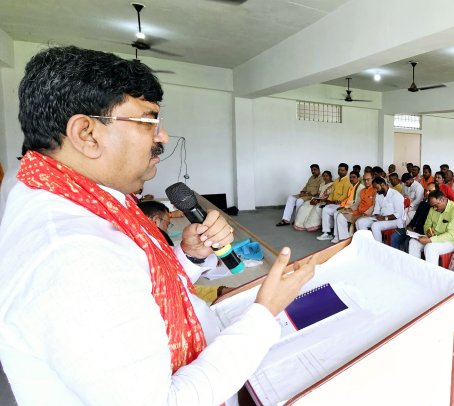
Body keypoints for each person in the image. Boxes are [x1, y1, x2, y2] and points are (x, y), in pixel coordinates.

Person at [0, 46, 316, 405]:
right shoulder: (72, 255)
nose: (162, 137)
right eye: (149, 121)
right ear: (86, 133)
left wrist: (189, 257)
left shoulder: (63, 194)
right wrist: (264, 314)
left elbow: (135, 286)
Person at [407, 190, 454, 263]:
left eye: (436, 205)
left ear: (443, 199)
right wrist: (428, 232)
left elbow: (450, 235)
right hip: (434, 237)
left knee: (430, 248)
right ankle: (415, 269)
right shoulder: (433, 209)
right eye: (432, 206)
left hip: (451, 241)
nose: (434, 208)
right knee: (413, 242)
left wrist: (430, 240)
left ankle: (432, 273)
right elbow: (427, 225)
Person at [355, 176, 405, 243]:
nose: (375, 190)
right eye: (374, 188)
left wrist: (384, 218)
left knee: (375, 226)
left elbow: (398, 214)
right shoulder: (379, 195)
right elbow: (376, 209)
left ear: (382, 184)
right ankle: (367, 243)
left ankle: (378, 247)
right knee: (359, 222)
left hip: (394, 221)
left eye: (376, 188)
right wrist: (376, 215)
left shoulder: (396, 195)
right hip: (381, 218)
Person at [330, 172, 374, 243]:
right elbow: (357, 203)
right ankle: (344, 240)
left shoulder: (375, 190)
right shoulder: (362, 191)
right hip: (357, 212)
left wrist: (364, 214)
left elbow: (374, 206)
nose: (366, 182)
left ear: (373, 178)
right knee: (340, 216)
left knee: (360, 221)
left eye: (368, 180)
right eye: (364, 180)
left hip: (367, 214)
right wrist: (349, 209)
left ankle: (362, 242)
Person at [317, 170, 360, 241]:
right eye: (339, 169)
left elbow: (347, 197)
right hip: (342, 204)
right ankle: (326, 232)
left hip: (344, 205)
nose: (351, 179)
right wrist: (330, 201)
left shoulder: (356, 186)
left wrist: (341, 203)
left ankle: (337, 236)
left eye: (354, 177)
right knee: (325, 209)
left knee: (337, 213)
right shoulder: (342, 182)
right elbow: (332, 193)